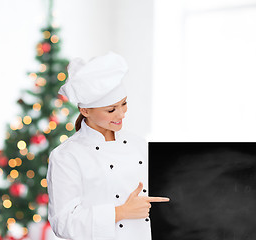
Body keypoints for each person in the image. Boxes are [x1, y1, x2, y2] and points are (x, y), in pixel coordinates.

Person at [46, 52, 170, 240]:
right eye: (111, 109)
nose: (121, 114)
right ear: (85, 110)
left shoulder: (140, 145)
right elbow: (63, 223)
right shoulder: (66, 156)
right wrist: (120, 212)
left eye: (124, 104)